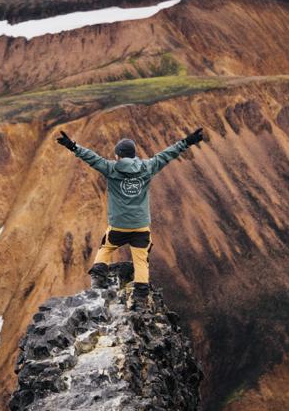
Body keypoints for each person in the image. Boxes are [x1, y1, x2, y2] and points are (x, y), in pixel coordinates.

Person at [56, 127, 205, 304]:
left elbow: (91, 158)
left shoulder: (111, 168)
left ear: (118, 155)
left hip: (118, 225)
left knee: (106, 247)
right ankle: (140, 299)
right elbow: (167, 154)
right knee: (141, 260)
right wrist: (187, 142)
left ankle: (97, 280)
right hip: (140, 226)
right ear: (133, 155)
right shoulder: (147, 167)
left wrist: (72, 146)